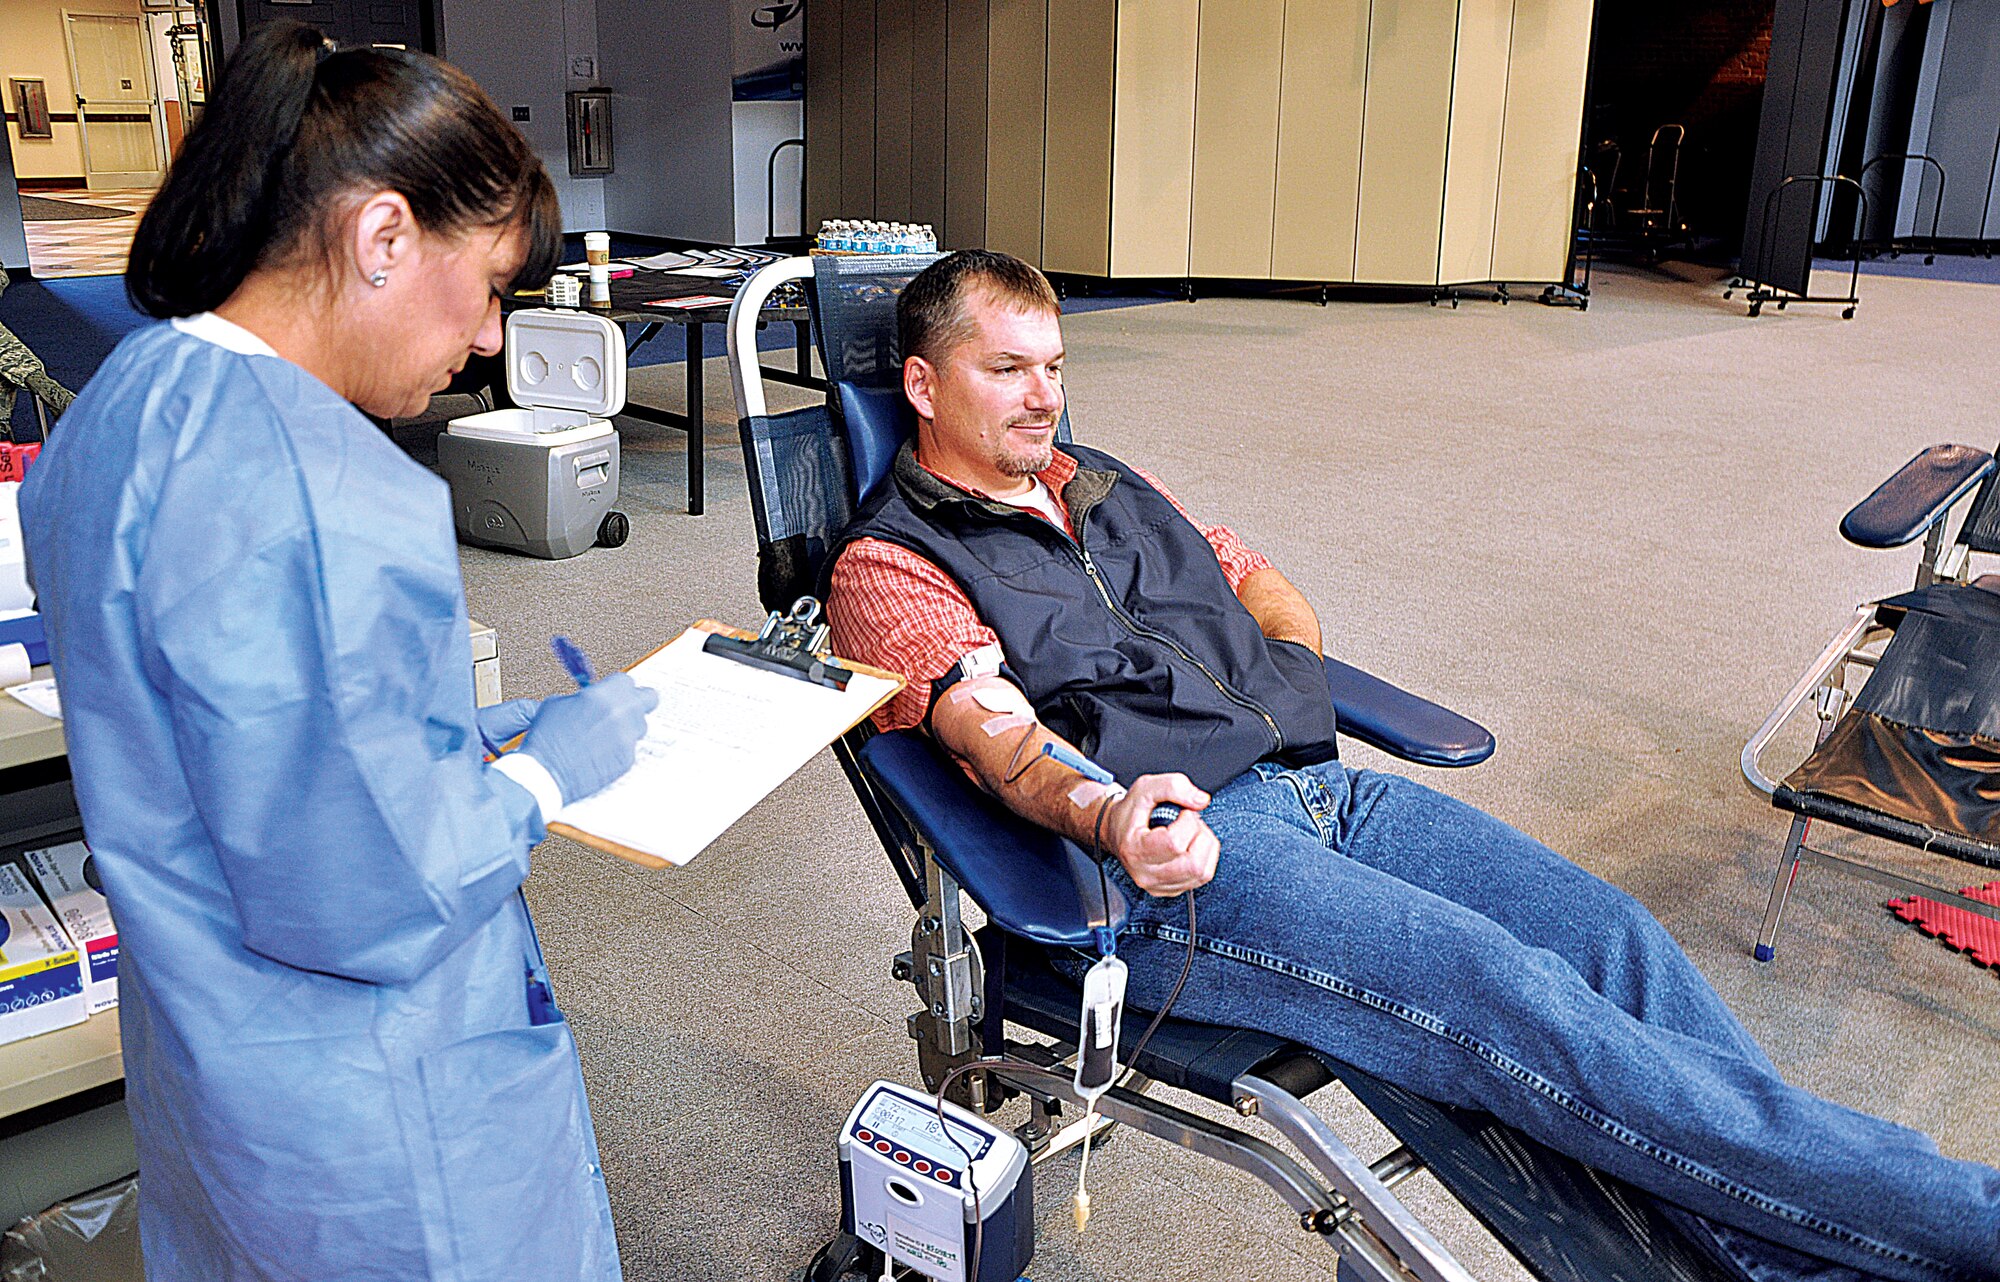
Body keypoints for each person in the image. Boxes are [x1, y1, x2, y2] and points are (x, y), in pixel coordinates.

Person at [825, 250, 2000, 1282]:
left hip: (1321, 785)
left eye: (1056, 365)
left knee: (1611, 936)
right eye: (1008, 370)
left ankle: (1786, 1250)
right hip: (1181, 860)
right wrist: (1107, 815)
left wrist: (1282, 668)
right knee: (1510, 994)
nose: (1046, 397)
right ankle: (1959, 1217)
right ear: (922, 385)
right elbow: (996, 739)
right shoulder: (891, 565)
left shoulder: (1101, 477)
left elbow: (1251, 573)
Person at [18, 23, 657, 1281]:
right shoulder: (337, 491)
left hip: (215, 1058)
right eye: (484, 288)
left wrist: (436, 734)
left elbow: (218, 723)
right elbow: (379, 890)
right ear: (380, 239)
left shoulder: (117, 409)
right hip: (372, 1112)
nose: (484, 340)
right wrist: (546, 774)